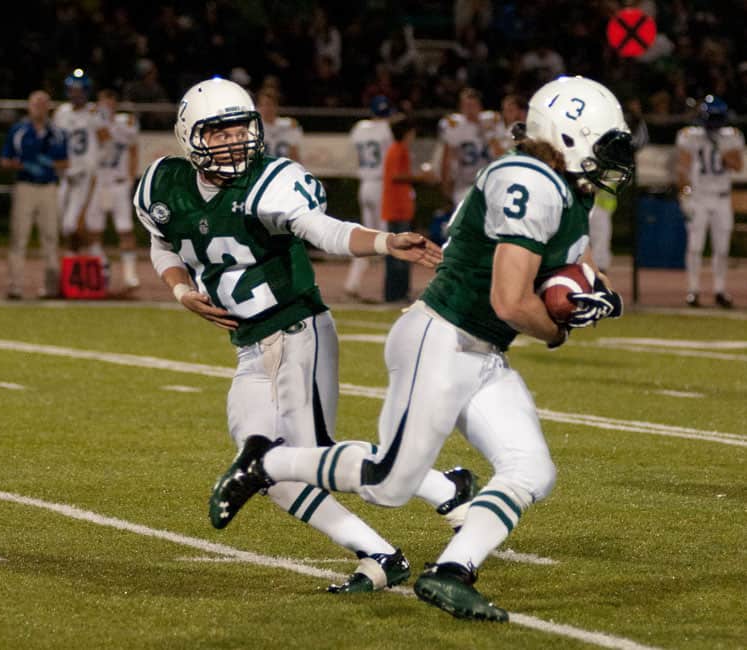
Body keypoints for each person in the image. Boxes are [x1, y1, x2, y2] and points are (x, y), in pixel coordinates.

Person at [210, 76, 635, 621]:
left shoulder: (566, 192)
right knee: (390, 485)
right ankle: (266, 460)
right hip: (443, 336)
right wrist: (556, 328)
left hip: (481, 353)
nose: (610, 160)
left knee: (531, 469)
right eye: (603, 144)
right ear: (570, 137)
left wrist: (587, 294)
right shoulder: (528, 177)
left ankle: (451, 572)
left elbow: (571, 269)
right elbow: (510, 301)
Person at [135, 77, 477, 594]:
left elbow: (324, 230)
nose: (232, 142)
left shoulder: (270, 181)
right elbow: (162, 243)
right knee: (269, 471)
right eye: (218, 132)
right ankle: (381, 555)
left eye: (239, 129)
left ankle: (441, 485)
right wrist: (181, 291)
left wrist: (383, 241)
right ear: (189, 135)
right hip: (250, 346)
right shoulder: (165, 182)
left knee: (310, 454)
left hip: (298, 331)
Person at [676, 95, 744, 308]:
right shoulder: (689, 136)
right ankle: (693, 290)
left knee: (721, 248)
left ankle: (720, 290)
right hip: (699, 197)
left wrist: (721, 151)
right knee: (695, 246)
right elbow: (683, 169)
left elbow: (738, 166)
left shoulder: (732, 136)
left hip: (722, 198)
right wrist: (684, 194)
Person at [0, 90, 68, 300]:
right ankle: (15, 286)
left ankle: (51, 287)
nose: (39, 107)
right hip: (25, 186)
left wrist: (48, 164)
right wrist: (21, 165)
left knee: (50, 237)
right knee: (19, 236)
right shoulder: (19, 130)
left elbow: (66, 162)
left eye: (43, 104)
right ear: (29, 106)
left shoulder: (57, 132)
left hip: (48, 187)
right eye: (35, 103)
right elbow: (4, 160)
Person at [85, 88, 140, 291]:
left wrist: (132, 178)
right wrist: (100, 119)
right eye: (103, 101)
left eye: (110, 101)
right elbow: (101, 136)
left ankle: (129, 275)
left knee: (125, 229)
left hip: (118, 182)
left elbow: (133, 148)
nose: (106, 106)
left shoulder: (127, 121)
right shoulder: (95, 120)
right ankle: (102, 270)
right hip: (100, 181)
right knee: (94, 230)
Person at [589, 98, 649, 275]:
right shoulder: (598, 127)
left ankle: (600, 270)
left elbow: (639, 142)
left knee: (600, 227)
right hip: (590, 182)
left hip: (605, 189)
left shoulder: (623, 132)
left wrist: (638, 118)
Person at [343, 95, 394, 300]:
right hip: (381, 184)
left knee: (369, 237)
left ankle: (352, 283)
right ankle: (392, 288)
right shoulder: (387, 130)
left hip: (365, 185)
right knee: (389, 238)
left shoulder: (359, 128)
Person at [381, 115, 436, 303]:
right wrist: (421, 177)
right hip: (397, 209)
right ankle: (395, 293)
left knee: (399, 252)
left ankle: (397, 292)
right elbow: (397, 176)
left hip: (398, 207)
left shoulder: (396, 149)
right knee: (400, 253)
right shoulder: (399, 150)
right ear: (407, 132)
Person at [53, 69, 101, 252]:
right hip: (65, 173)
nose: (76, 94)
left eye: (79, 90)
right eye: (73, 90)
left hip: (85, 173)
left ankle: (97, 260)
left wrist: (94, 164)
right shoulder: (61, 113)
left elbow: (105, 140)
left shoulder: (94, 113)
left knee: (77, 223)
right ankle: (74, 260)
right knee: (64, 224)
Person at [437, 88, 502, 211]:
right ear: (461, 107)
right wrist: (445, 182)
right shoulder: (454, 125)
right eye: (466, 105)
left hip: (490, 183)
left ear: (480, 106)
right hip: (464, 183)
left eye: (473, 105)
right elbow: (447, 157)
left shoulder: (492, 121)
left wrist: (487, 133)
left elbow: (501, 154)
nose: (469, 109)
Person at [256, 87, 302, 161]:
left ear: (276, 106)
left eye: (270, 104)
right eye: (263, 105)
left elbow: (294, 155)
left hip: (283, 170)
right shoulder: (254, 127)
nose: (267, 108)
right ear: (258, 107)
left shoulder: (288, 125)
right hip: (262, 170)